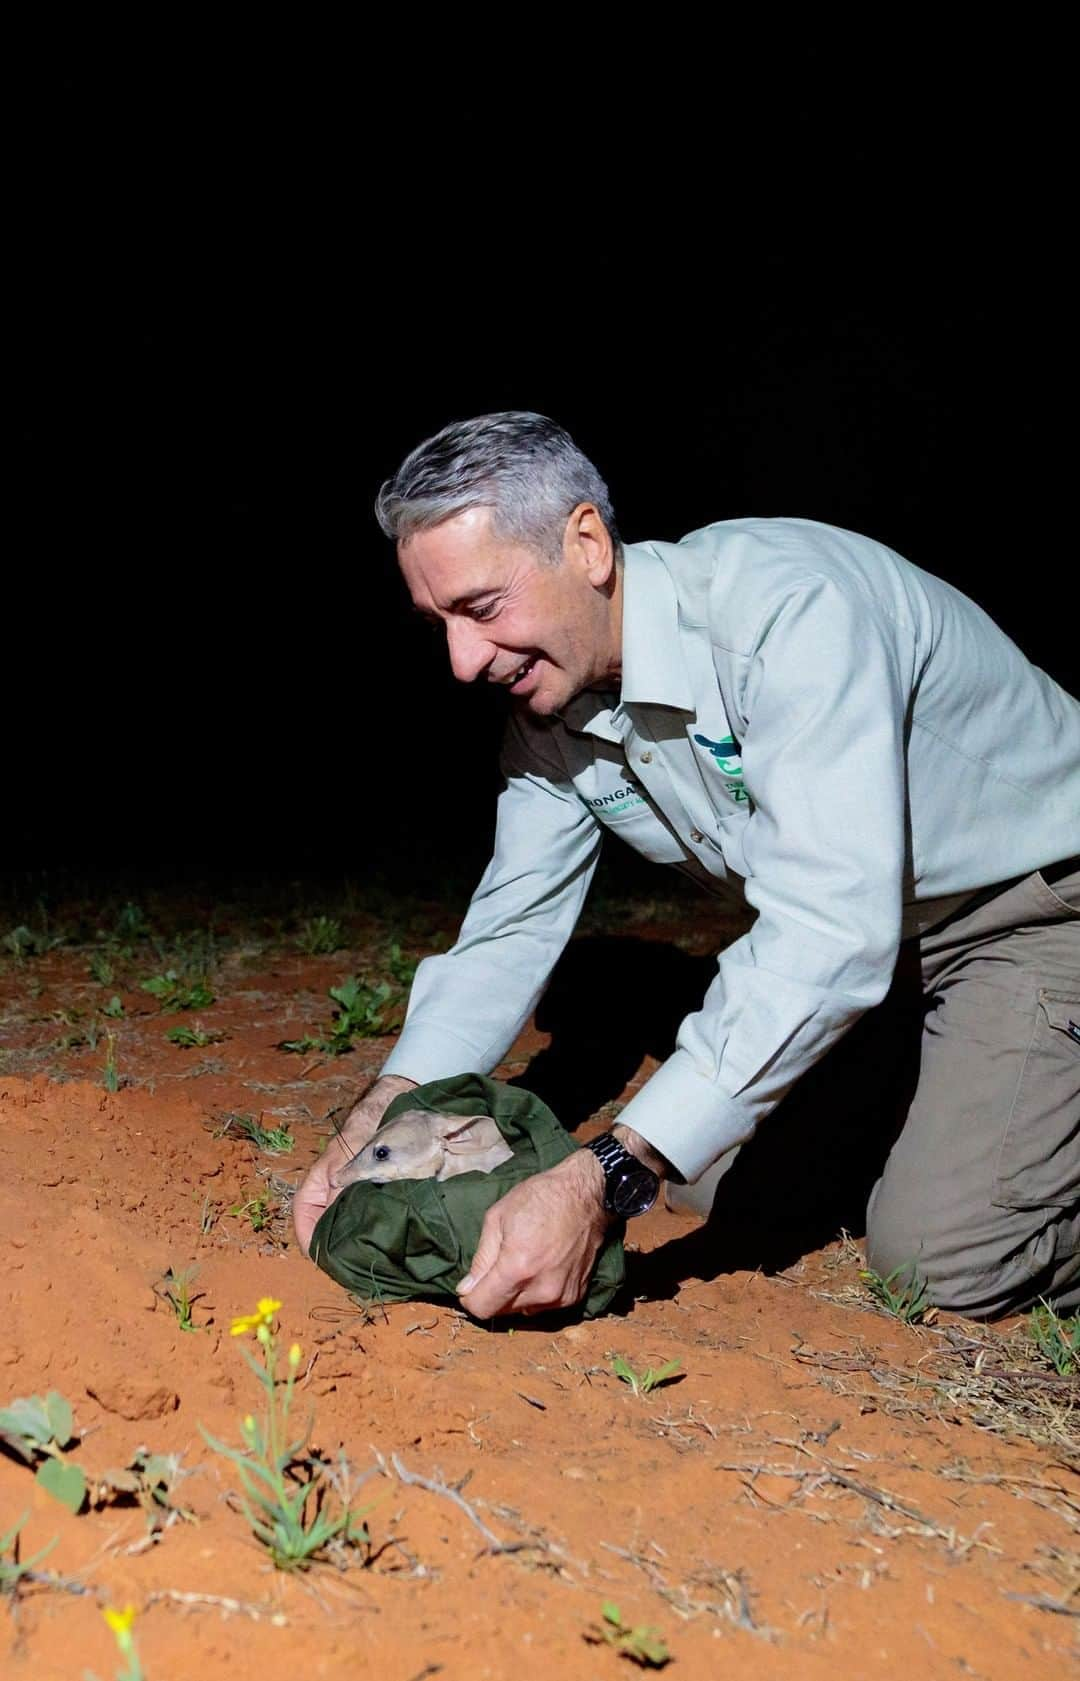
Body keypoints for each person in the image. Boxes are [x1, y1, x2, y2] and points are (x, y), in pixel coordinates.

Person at [293, 412, 1080, 1322]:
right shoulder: (554, 712)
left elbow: (827, 931)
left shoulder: (788, 615)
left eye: (481, 608)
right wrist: (384, 1114)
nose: (462, 660)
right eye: (439, 623)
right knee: (707, 1188)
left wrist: (607, 1173)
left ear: (586, 543)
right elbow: (509, 932)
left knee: (937, 1262)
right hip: (898, 944)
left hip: (1039, 905)